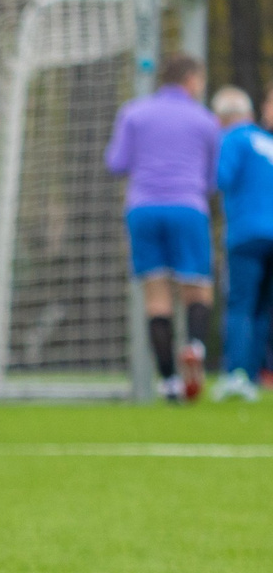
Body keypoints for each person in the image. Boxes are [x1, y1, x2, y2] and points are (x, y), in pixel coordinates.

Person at [103, 51, 222, 402]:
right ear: (190, 80)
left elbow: (116, 162)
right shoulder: (205, 120)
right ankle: (196, 347)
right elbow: (212, 180)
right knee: (197, 289)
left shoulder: (134, 113)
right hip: (188, 208)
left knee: (156, 296)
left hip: (143, 209)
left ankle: (169, 381)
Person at [212, 86, 273, 402]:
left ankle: (236, 374)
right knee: (263, 309)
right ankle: (252, 375)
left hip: (248, 234)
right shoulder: (268, 141)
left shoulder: (234, 138)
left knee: (240, 305)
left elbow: (220, 178)